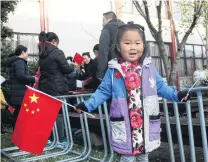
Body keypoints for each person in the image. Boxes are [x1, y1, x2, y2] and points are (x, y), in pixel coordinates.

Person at [75, 22, 188, 162]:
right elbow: (102, 91)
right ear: (118, 47)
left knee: (143, 156)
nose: (133, 47)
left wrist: (177, 95)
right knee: (127, 158)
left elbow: (162, 87)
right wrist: (87, 105)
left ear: (144, 45)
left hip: (144, 126)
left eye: (137, 43)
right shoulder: (113, 71)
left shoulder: (149, 69)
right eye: (127, 43)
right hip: (125, 127)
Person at [38, 31, 74, 144]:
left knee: (48, 113)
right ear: (54, 41)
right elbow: (66, 69)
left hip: (45, 87)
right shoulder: (57, 52)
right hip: (57, 87)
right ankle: (61, 139)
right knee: (59, 113)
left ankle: (49, 138)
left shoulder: (42, 53)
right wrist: (73, 66)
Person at [6, 45, 37, 129]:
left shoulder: (15, 62)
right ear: (23, 52)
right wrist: (33, 79)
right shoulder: (20, 62)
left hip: (17, 93)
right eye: (27, 52)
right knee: (19, 115)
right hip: (20, 93)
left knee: (18, 114)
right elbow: (21, 76)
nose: (27, 55)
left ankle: (16, 135)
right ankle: (18, 136)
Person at [96, 11, 125, 81]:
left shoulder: (107, 29)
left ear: (109, 19)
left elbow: (103, 51)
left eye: (104, 20)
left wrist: (101, 73)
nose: (103, 23)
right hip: (127, 66)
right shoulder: (125, 28)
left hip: (113, 66)